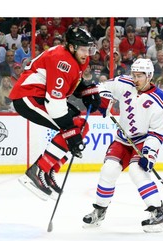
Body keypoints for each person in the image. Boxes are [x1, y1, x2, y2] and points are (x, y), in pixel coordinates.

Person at [9, 26, 100, 200]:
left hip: (41, 96)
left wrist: (86, 91)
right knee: (74, 129)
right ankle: (37, 171)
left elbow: (70, 82)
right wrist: (70, 133)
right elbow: (55, 103)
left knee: (80, 126)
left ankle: (49, 169)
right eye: (83, 49)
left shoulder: (76, 59)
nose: (87, 53)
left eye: (88, 48)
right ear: (72, 47)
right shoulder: (62, 61)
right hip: (28, 97)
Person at [83, 58, 163, 233]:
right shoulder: (125, 82)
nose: (135, 78)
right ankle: (100, 210)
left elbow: (159, 131)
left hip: (144, 140)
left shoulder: (160, 100)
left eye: (139, 76)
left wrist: (149, 153)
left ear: (149, 76)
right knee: (109, 168)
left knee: (137, 170)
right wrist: (103, 100)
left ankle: (158, 214)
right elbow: (102, 87)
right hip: (123, 138)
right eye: (134, 74)